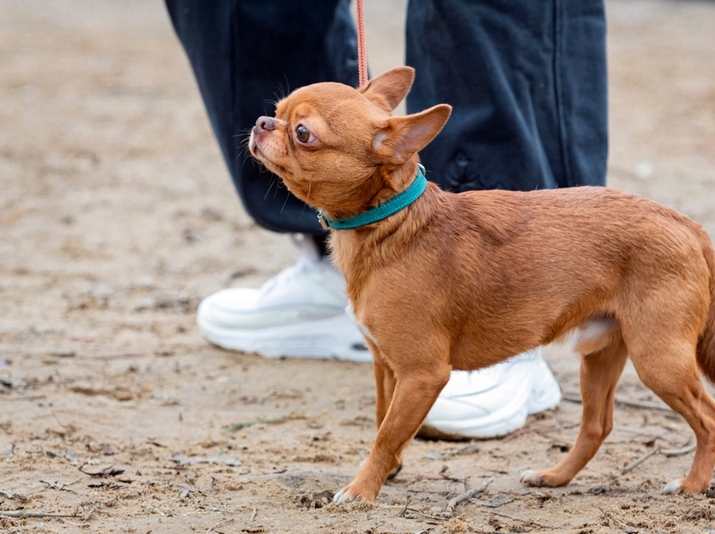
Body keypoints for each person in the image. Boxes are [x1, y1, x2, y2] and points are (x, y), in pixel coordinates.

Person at [165, 0, 607, 439]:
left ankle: (500, 306)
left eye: (301, 132)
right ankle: (344, 270)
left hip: (507, 263)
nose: (267, 126)